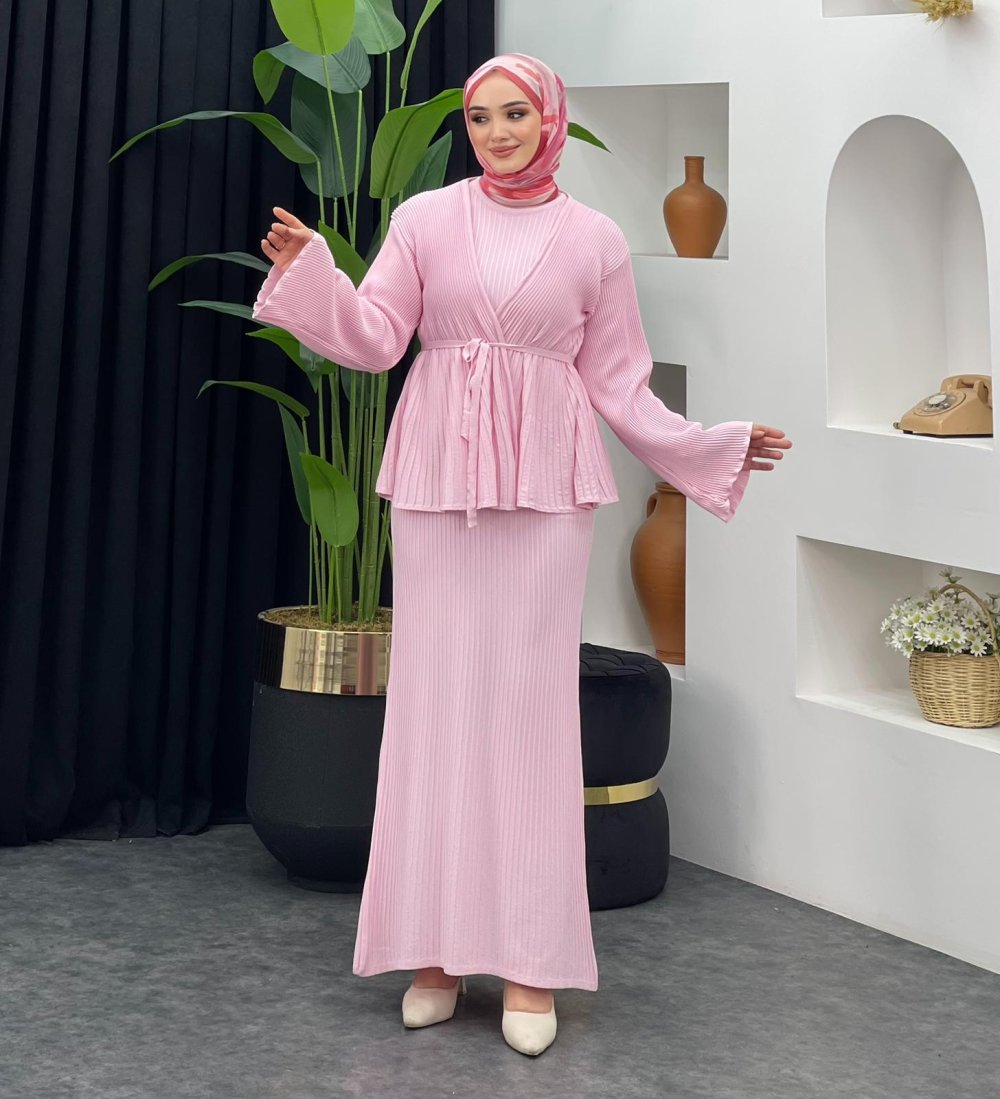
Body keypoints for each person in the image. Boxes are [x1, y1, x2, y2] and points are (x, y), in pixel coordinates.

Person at [251, 52, 791, 1058]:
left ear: (548, 119)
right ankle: (433, 953)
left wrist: (711, 444)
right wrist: (310, 272)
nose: (496, 133)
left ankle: (530, 960)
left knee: (529, 717)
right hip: (435, 488)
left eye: (514, 114)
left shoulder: (595, 240)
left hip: (544, 492)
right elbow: (375, 337)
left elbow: (621, 383)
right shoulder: (425, 220)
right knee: (434, 710)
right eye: (479, 118)